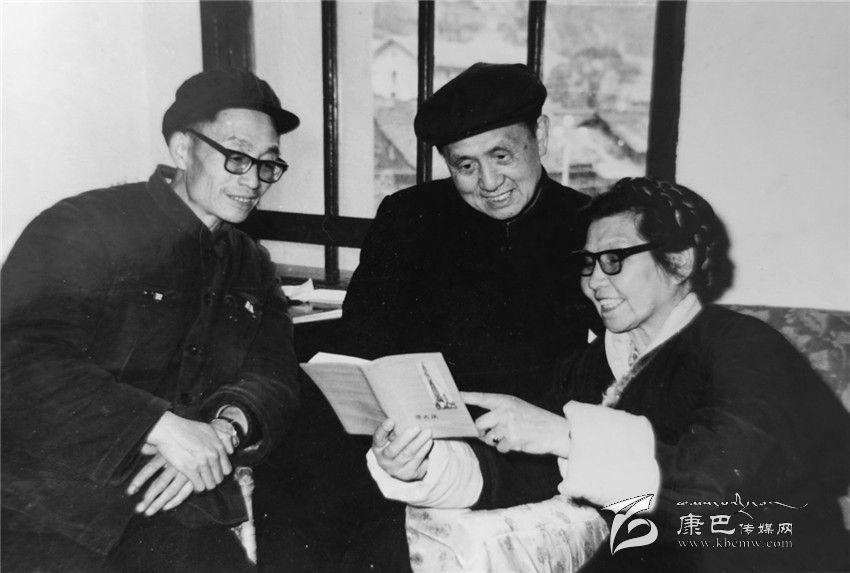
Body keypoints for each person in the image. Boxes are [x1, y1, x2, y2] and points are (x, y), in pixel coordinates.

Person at [368, 177, 850, 572]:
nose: (595, 281)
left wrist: (566, 436)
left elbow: (719, 486)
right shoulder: (592, 364)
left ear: (680, 260)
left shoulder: (744, 345)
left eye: (614, 260)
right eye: (588, 264)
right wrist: (425, 463)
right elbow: (530, 472)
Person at [255, 62, 597, 571]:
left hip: (512, 432)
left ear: (540, 136)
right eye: (465, 166)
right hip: (403, 419)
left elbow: (613, 360)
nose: (489, 183)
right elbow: (360, 338)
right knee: (299, 457)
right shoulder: (409, 215)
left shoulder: (588, 227)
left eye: (501, 156)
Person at [1, 68, 302, 572]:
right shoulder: (83, 227)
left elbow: (275, 375)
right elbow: (22, 361)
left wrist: (222, 432)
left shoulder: (251, 263)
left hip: (182, 503)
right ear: (183, 149)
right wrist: (162, 427)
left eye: (268, 164)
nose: (253, 180)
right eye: (236, 156)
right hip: (53, 506)